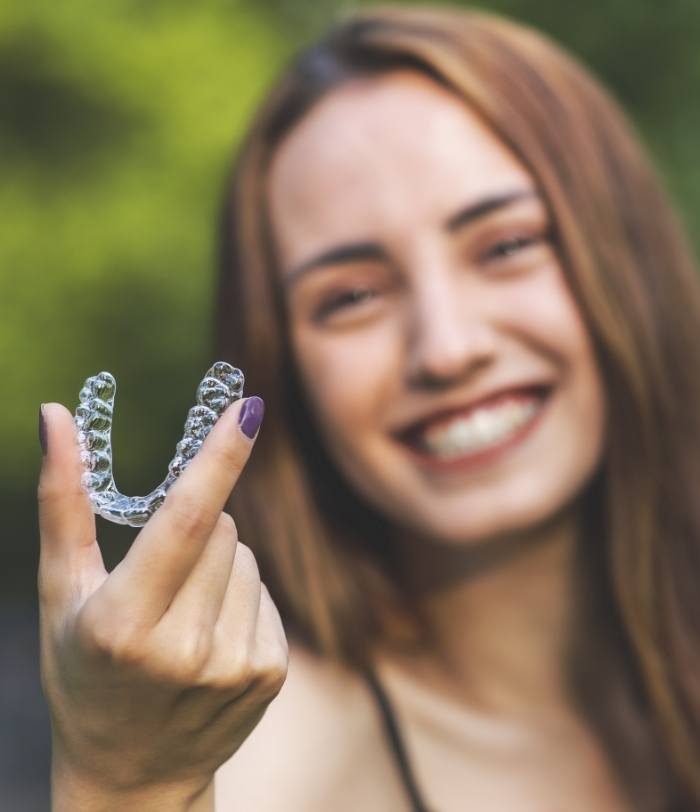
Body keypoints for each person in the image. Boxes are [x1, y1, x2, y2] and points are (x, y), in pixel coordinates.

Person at [37, 6, 700, 811]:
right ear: (281, 367)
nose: (448, 348)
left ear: (627, 257)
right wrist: (127, 784)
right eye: (350, 296)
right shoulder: (260, 765)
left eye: (507, 245)